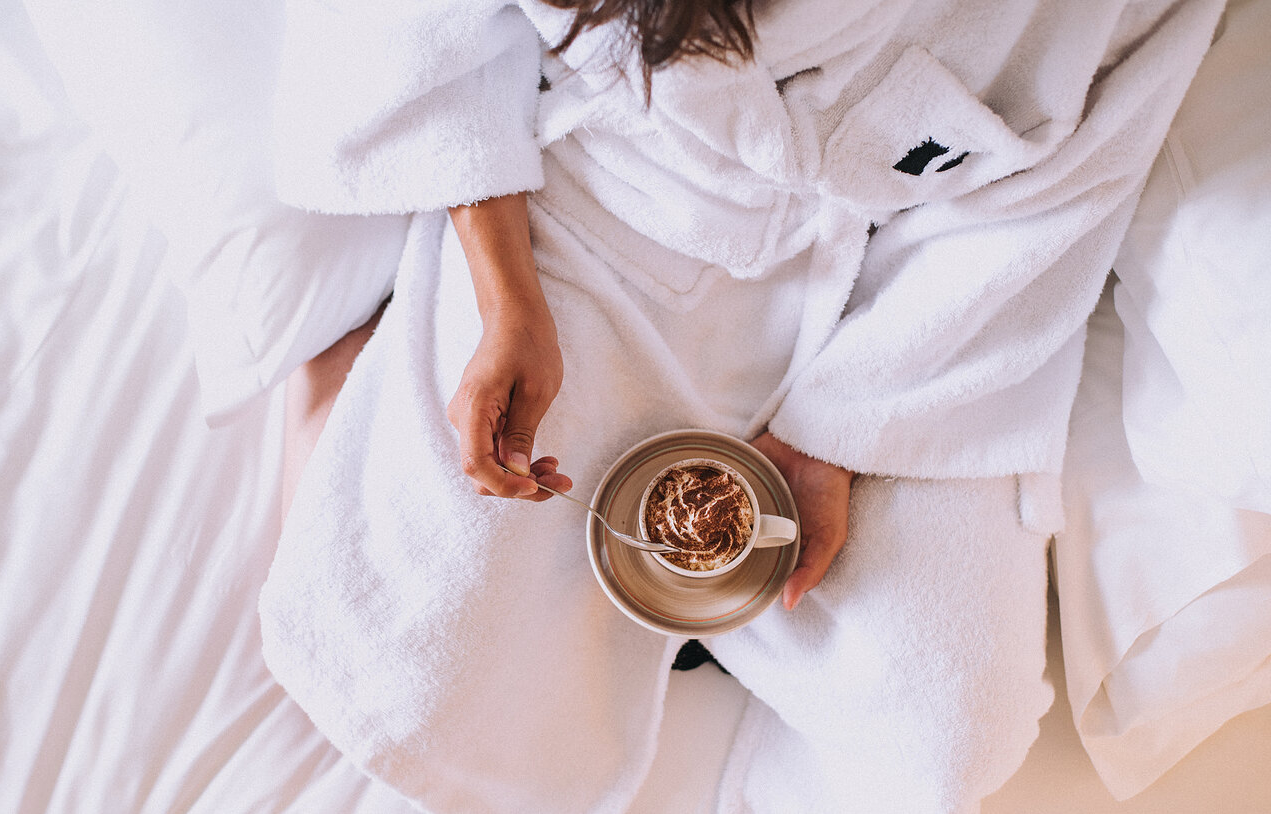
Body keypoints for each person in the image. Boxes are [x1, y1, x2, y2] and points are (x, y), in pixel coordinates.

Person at [263, 1, 1224, 811]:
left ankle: (721, 686)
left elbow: (1061, 190)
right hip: (612, 211)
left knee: (946, 745)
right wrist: (507, 301)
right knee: (414, 677)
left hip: (903, 303)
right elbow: (411, 30)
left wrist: (841, 436)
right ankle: (368, 365)